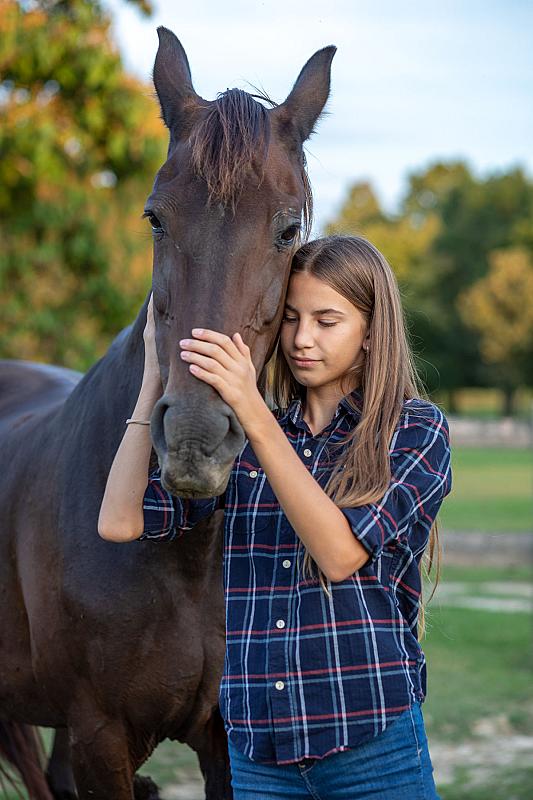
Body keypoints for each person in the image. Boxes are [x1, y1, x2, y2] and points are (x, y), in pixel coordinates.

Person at [99, 234, 452, 799]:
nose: (301, 339)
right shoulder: (252, 438)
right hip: (259, 757)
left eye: (326, 320)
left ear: (370, 333)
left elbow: (338, 555)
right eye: (289, 319)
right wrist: (151, 385)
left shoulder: (413, 430)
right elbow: (120, 522)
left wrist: (251, 409)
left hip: (373, 750)